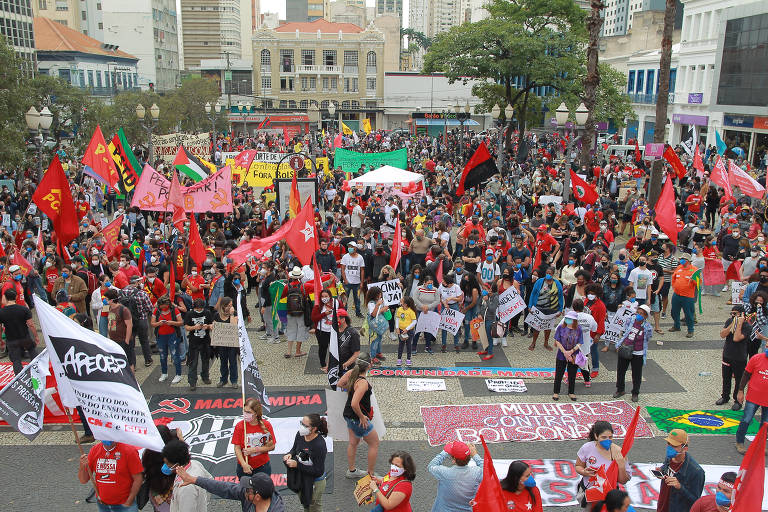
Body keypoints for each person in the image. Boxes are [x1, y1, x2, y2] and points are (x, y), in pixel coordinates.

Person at [339, 352, 379, 479]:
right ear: (369, 365)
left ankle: (351, 471)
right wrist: (362, 417)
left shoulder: (351, 374)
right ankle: (371, 474)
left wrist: (350, 389)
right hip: (357, 418)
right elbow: (354, 403)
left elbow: (340, 383)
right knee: (374, 443)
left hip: (348, 415)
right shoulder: (363, 383)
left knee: (353, 442)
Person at [575, 421, 631, 508]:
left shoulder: (618, 452)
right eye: (604, 437)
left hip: (610, 497)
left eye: (610, 437)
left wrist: (621, 465)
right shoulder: (587, 448)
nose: (607, 440)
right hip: (590, 494)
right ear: (596, 436)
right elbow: (578, 466)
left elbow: (623, 480)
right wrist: (584, 472)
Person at [78, 439, 144, 512]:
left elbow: (138, 478)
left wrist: (129, 501)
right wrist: (82, 466)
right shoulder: (95, 450)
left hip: (125, 505)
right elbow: (83, 480)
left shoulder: (129, 451)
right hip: (103, 505)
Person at [174, 470, 285, 512]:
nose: (244, 491)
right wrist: (194, 480)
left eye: (247, 490)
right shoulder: (249, 496)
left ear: (257, 497)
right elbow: (223, 487)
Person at [283, 413, 328, 512]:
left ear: (314, 428)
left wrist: (297, 465)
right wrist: (290, 454)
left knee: (314, 507)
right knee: (306, 506)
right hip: (302, 478)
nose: (302, 427)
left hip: (315, 482)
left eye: (305, 426)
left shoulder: (319, 445)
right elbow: (294, 449)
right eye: (301, 423)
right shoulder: (300, 434)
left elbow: (318, 471)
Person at [656, 429, 705, 512]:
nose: (670, 448)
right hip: (663, 504)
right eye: (668, 444)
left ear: (685, 448)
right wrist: (661, 470)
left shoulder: (696, 472)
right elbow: (666, 468)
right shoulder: (669, 458)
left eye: (674, 446)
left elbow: (696, 501)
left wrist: (680, 487)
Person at [427, 441, 483, 512]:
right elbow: (487, 469)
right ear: (469, 457)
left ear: (454, 460)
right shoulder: (476, 473)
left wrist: (445, 452)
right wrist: (475, 454)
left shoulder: (445, 473)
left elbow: (431, 466)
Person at [614, 304, 652, 402]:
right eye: (638, 312)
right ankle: (620, 389)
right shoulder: (630, 320)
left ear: (645, 316)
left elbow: (648, 338)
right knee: (621, 371)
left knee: (636, 374)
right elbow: (624, 332)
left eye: (641, 314)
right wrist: (620, 344)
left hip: (638, 353)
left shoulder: (647, 327)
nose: (638, 315)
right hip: (626, 348)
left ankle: (635, 392)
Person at [161, 439, 212, 512]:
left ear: (177, 464)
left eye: (167, 463)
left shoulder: (186, 488)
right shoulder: (195, 464)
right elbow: (210, 481)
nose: (165, 466)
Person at [232, 398, 276, 478]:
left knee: (263, 490)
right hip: (244, 467)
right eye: (244, 411)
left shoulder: (266, 425)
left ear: (256, 413)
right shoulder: (240, 426)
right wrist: (244, 464)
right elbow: (237, 448)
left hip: (262, 466)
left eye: (248, 412)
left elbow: (272, 446)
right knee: (245, 490)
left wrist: (255, 450)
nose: (245, 414)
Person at [734, 347, 768, 454]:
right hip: (753, 397)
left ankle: (760, 445)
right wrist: (740, 390)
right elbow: (746, 375)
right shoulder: (756, 358)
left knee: (765, 424)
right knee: (746, 420)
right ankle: (739, 442)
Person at [717, 305, 750, 410]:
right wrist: (732, 323)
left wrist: (739, 323)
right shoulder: (729, 321)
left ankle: (738, 401)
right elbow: (722, 334)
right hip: (727, 354)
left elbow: (736, 338)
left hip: (739, 357)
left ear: (742, 314)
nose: (732, 315)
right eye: (732, 313)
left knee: (739, 379)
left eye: (735, 314)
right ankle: (725, 396)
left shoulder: (747, 326)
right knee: (726, 377)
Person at [0, 289, 39, 374]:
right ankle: (39, 372)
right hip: (25, 337)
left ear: (5, 298)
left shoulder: (1, 312)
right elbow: (31, 325)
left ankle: (20, 379)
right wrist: (36, 336)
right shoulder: (24, 309)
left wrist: (1, 340)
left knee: (16, 360)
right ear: (16, 297)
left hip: (11, 340)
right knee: (33, 355)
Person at [150, 295, 184, 384]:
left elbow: (181, 322)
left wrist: (172, 323)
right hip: (161, 336)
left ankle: (178, 374)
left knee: (175, 355)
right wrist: (158, 324)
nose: (162, 308)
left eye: (163, 306)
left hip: (173, 335)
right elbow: (152, 323)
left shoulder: (174, 310)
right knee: (162, 355)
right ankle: (164, 373)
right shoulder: (156, 311)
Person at [528, 266, 564, 351]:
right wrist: (530, 306)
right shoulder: (539, 281)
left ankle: (546, 343)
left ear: (553, 274)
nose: (548, 275)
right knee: (537, 327)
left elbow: (560, 296)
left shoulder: (557, 283)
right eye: (547, 273)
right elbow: (533, 293)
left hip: (551, 309)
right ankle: (533, 342)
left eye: (550, 273)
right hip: (539, 308)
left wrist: (560, 309)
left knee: (548, 327)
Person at [553, 310, 583, 401]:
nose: (567, 320)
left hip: (573, 355)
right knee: (559, 373)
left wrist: (571, 351)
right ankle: (556, 392)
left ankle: (571, 392)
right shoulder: (561, 328)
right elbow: (557, 340)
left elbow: (580, 342)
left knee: (572, 374)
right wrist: (565, 352)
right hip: (561, 354)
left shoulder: (579, 329)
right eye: (566, 318)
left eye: (570, 319)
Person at [184, 298, 213, 391]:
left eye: (201, 309)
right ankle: (192, 382)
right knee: (193, 362)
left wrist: (207, 326)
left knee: (205, 360)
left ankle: (205, 377)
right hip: (194, 342)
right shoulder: (190, 314)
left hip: (205, 341)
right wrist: (194, 327)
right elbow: (186, 327)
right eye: (197, 309)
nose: (199, 310)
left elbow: (212, 324)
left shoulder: (207, 313)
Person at [282, 266, 309, 359]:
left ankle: (289, 351)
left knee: (291, 329)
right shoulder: (303, 286)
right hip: (301, 312)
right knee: (301, 329)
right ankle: (298, 351)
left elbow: (281, 297)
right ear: (300, 277)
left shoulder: (287, 286)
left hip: (290, 311)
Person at [104, 288, 135, 370]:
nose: (105, 300)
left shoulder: (123, 309)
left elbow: (129, 325)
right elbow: (112, 323)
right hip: (115, 340)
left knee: (129, 361)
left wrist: (127, 340)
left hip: (123, 340)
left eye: (106, 299)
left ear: (112, 300)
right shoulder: (111, 308)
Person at [669, 253, 698, 338]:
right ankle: (677, 326)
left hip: (688, 296)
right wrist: (675, 286)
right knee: (674, 312)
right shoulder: (679, 268)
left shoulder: (694, 270)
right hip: (677, 294)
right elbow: (674, 278)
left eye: (683, 259)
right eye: (680, 258)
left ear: (688, 261)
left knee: (688, 314)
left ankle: (690, 330)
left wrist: (693, 281)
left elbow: (699, 283)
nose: (680, 260)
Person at [214, 297, 240, 388]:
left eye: (231, 305)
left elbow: (234, 326)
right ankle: (223, 379)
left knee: (233, 362)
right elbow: (214, 326)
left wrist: (232, 314)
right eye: (228, 306)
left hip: (232, 344)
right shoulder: (217, 316)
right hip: (222, 343)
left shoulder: (234, 314)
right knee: (223, 362)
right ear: (223, 306)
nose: (230, 307)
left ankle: (234, 380)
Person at [310, 288, 335, 372]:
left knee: (334, 348)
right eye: (322, 296)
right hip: (322, 331)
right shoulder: (318, 307)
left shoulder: (335, 304)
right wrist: (324, 314)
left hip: (333, 331)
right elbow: (313, 318)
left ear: (330, 296)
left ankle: (333, 363)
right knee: (323, 348)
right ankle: (323, 364)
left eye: (326, 296)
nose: (324, 298)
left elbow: (342, 312)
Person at [340, 242, 366, 317]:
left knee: (357, 299)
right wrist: (345, 280)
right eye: (349, 246)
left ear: (355, 248)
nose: (350, 248)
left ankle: (358, 313)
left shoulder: (360, 257)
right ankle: (344, 313)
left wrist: (361, 282)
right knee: (345, 299)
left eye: (351, 247)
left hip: (357, 283)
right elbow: (342, 269)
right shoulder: (345, 257)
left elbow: (362, 270)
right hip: (347, 282)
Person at [367, 286, 388, 364]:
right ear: (374, 295)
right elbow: (373, 314)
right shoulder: (371, 303)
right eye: (379, 294)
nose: (380, 295)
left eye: (380, 294)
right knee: (375, 340)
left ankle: (378, 353)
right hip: (374, 324)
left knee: (379, 338)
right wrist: (379, 307)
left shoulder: (380, 301)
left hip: (379, 323)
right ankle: (372, 356)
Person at [395, 296, 417, 366]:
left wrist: (407, 329)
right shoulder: (399, 309)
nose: (400, 302)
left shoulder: (411, 311)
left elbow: (414, 321)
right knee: (400, 345)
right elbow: (397, 319)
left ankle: (408, 359)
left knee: (408, 345)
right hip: (401, 330)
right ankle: (399, 359)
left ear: (406, 304)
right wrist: (397, 328)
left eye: (402, 301)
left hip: (409, 331)